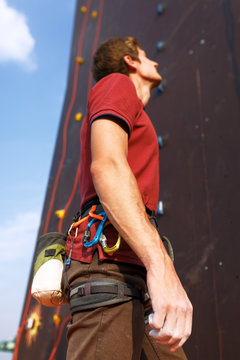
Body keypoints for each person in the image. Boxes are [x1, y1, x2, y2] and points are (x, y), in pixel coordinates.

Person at [64, 36, 193, 360]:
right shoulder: (116, 83)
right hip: (108, 262)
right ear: (130, 61)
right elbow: (107, 165)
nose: (156, 61)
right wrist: (161, 269)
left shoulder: (128, 104)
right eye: (147, 55)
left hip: (132, 266)